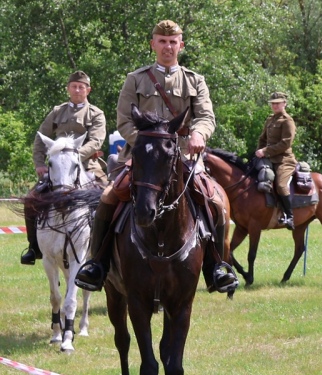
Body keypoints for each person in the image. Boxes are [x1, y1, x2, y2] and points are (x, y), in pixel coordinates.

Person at [75, 20, 238, 294]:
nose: (168, 46)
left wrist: (199, 134)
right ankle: (97, 264)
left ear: (181, 45)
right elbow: (124, 120)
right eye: (162, 41)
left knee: (216, 201)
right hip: (143, 158)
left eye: (173, 42)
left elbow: (206, 117)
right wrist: (146, 147)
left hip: (185, 156)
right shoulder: (135, 79)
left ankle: (217, 266)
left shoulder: (195, 80)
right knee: (109, 197)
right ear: (153, 44)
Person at [20, 71, 108, 264]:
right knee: (32, 199)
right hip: (58, 169)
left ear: (88, 90)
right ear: (68, 89)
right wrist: (39, 163)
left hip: (89, 166)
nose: (77, 90)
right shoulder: (57, 112)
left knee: (107, 197)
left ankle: (104, 249)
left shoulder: (96, 114)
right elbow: (40, 137)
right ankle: (34, 248)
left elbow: (95, 141)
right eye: (74, 86)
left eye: (81, 87)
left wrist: (72, 156)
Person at [255, 91, 297, 229]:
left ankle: (289, 216)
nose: (275, 106)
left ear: (284, 103)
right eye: (273, 103)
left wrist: (265, 151)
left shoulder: (287, 120)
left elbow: (285, 143)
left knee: (280, 185)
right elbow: (262, 139)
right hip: (268, 158)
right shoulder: (270, 119)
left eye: (278, 103)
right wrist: (258, 152)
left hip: (284, 160)